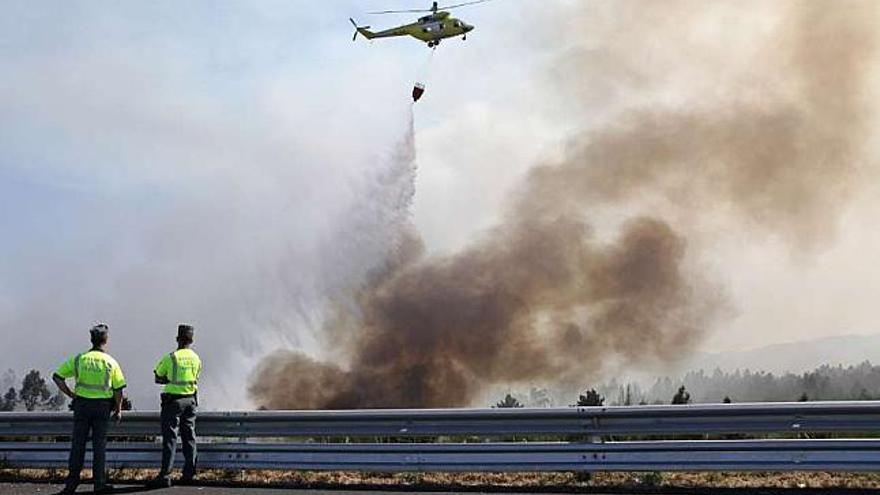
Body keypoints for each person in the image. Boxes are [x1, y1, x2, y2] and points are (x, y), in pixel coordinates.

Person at [52, 323, 126, 495]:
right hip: (102, 407)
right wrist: (119, 409)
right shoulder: (110, 362)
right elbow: (118, 389)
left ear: (91, 339)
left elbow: (57, 376)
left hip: (82, 405)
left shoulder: (79, 359)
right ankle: (99, 484)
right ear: (105, 340)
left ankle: (72, 483)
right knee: (99, 447)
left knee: (78, 445)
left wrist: (71, 394)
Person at [147, 324, 202, 488]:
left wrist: (169, 380)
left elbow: (158, 376)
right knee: (189, 437)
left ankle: (165, 475)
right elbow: (196, 376)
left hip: (173, 402)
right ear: (191, 340)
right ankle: (189, 473)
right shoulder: (196, 358)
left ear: (177, 339)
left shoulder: (171, 358)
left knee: (170, 439)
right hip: (190, 401)